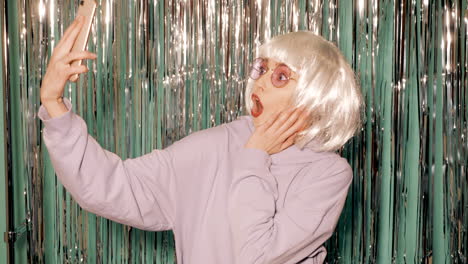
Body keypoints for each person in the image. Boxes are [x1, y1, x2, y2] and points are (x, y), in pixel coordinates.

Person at [38, 15, 363, 264]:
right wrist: (54, 104)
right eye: (261, 68)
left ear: (316, 96)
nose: (261, 81)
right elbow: (110, 185)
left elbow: (257, 256)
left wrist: (254, 157)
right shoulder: (215, 144)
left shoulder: (328, 174)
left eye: (280, 76)